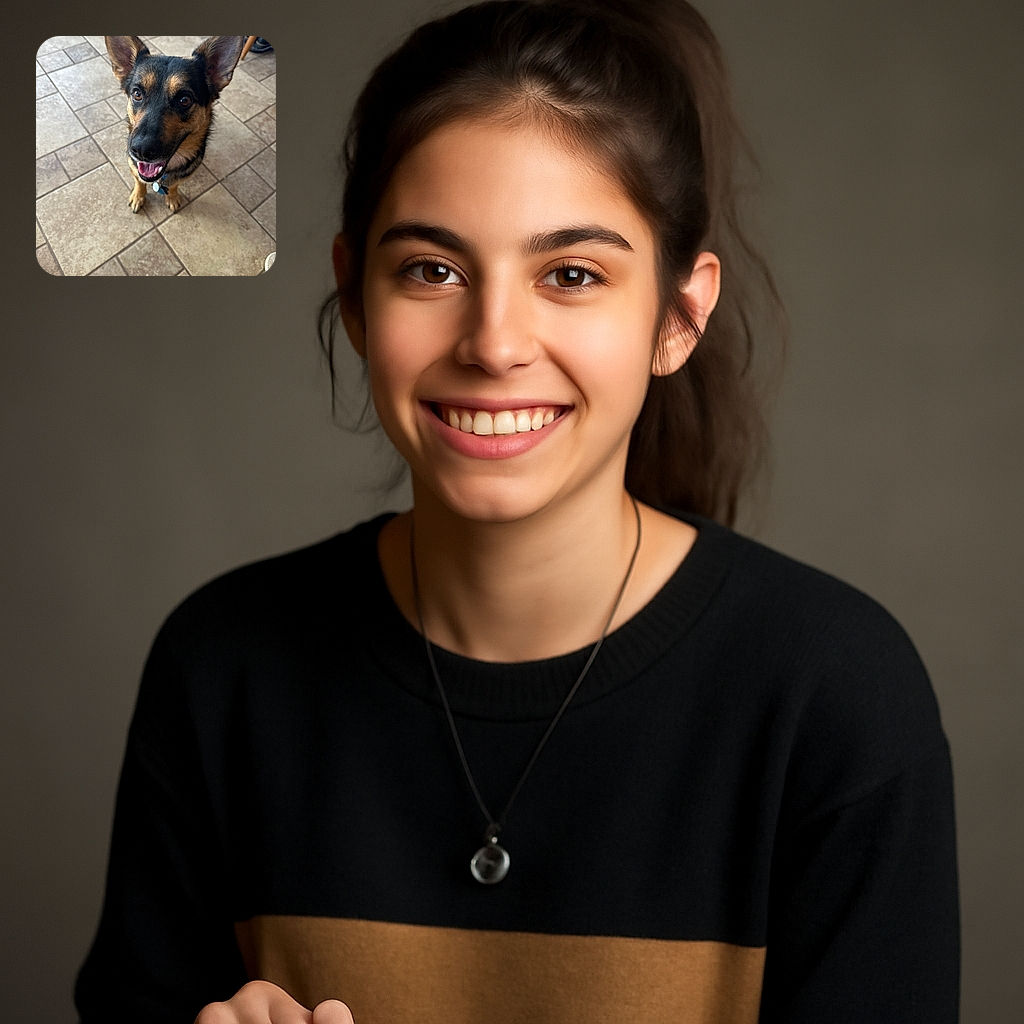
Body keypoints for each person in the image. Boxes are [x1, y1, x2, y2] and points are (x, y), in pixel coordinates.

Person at [75, 1, 959, 1022]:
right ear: (355, 300)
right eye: (432, 270)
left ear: (679, 316)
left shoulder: (836, 698)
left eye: (571, 274)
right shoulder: (222, 668)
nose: (495, 341)